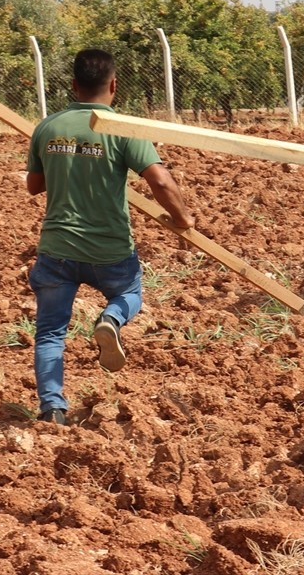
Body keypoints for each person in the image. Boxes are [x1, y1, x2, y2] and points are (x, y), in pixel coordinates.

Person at [25, 49, 195, 426]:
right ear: (114, 85)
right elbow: (161, 180)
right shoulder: (123, 129)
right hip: (110, 251)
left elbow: (34, 187)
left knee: (51, 331)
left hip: (57, 250)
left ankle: (52, 408)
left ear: (72, 85)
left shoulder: (48, 127)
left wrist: (66, 162)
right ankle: (112, 320)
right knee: (129, 294)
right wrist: (184, 219)